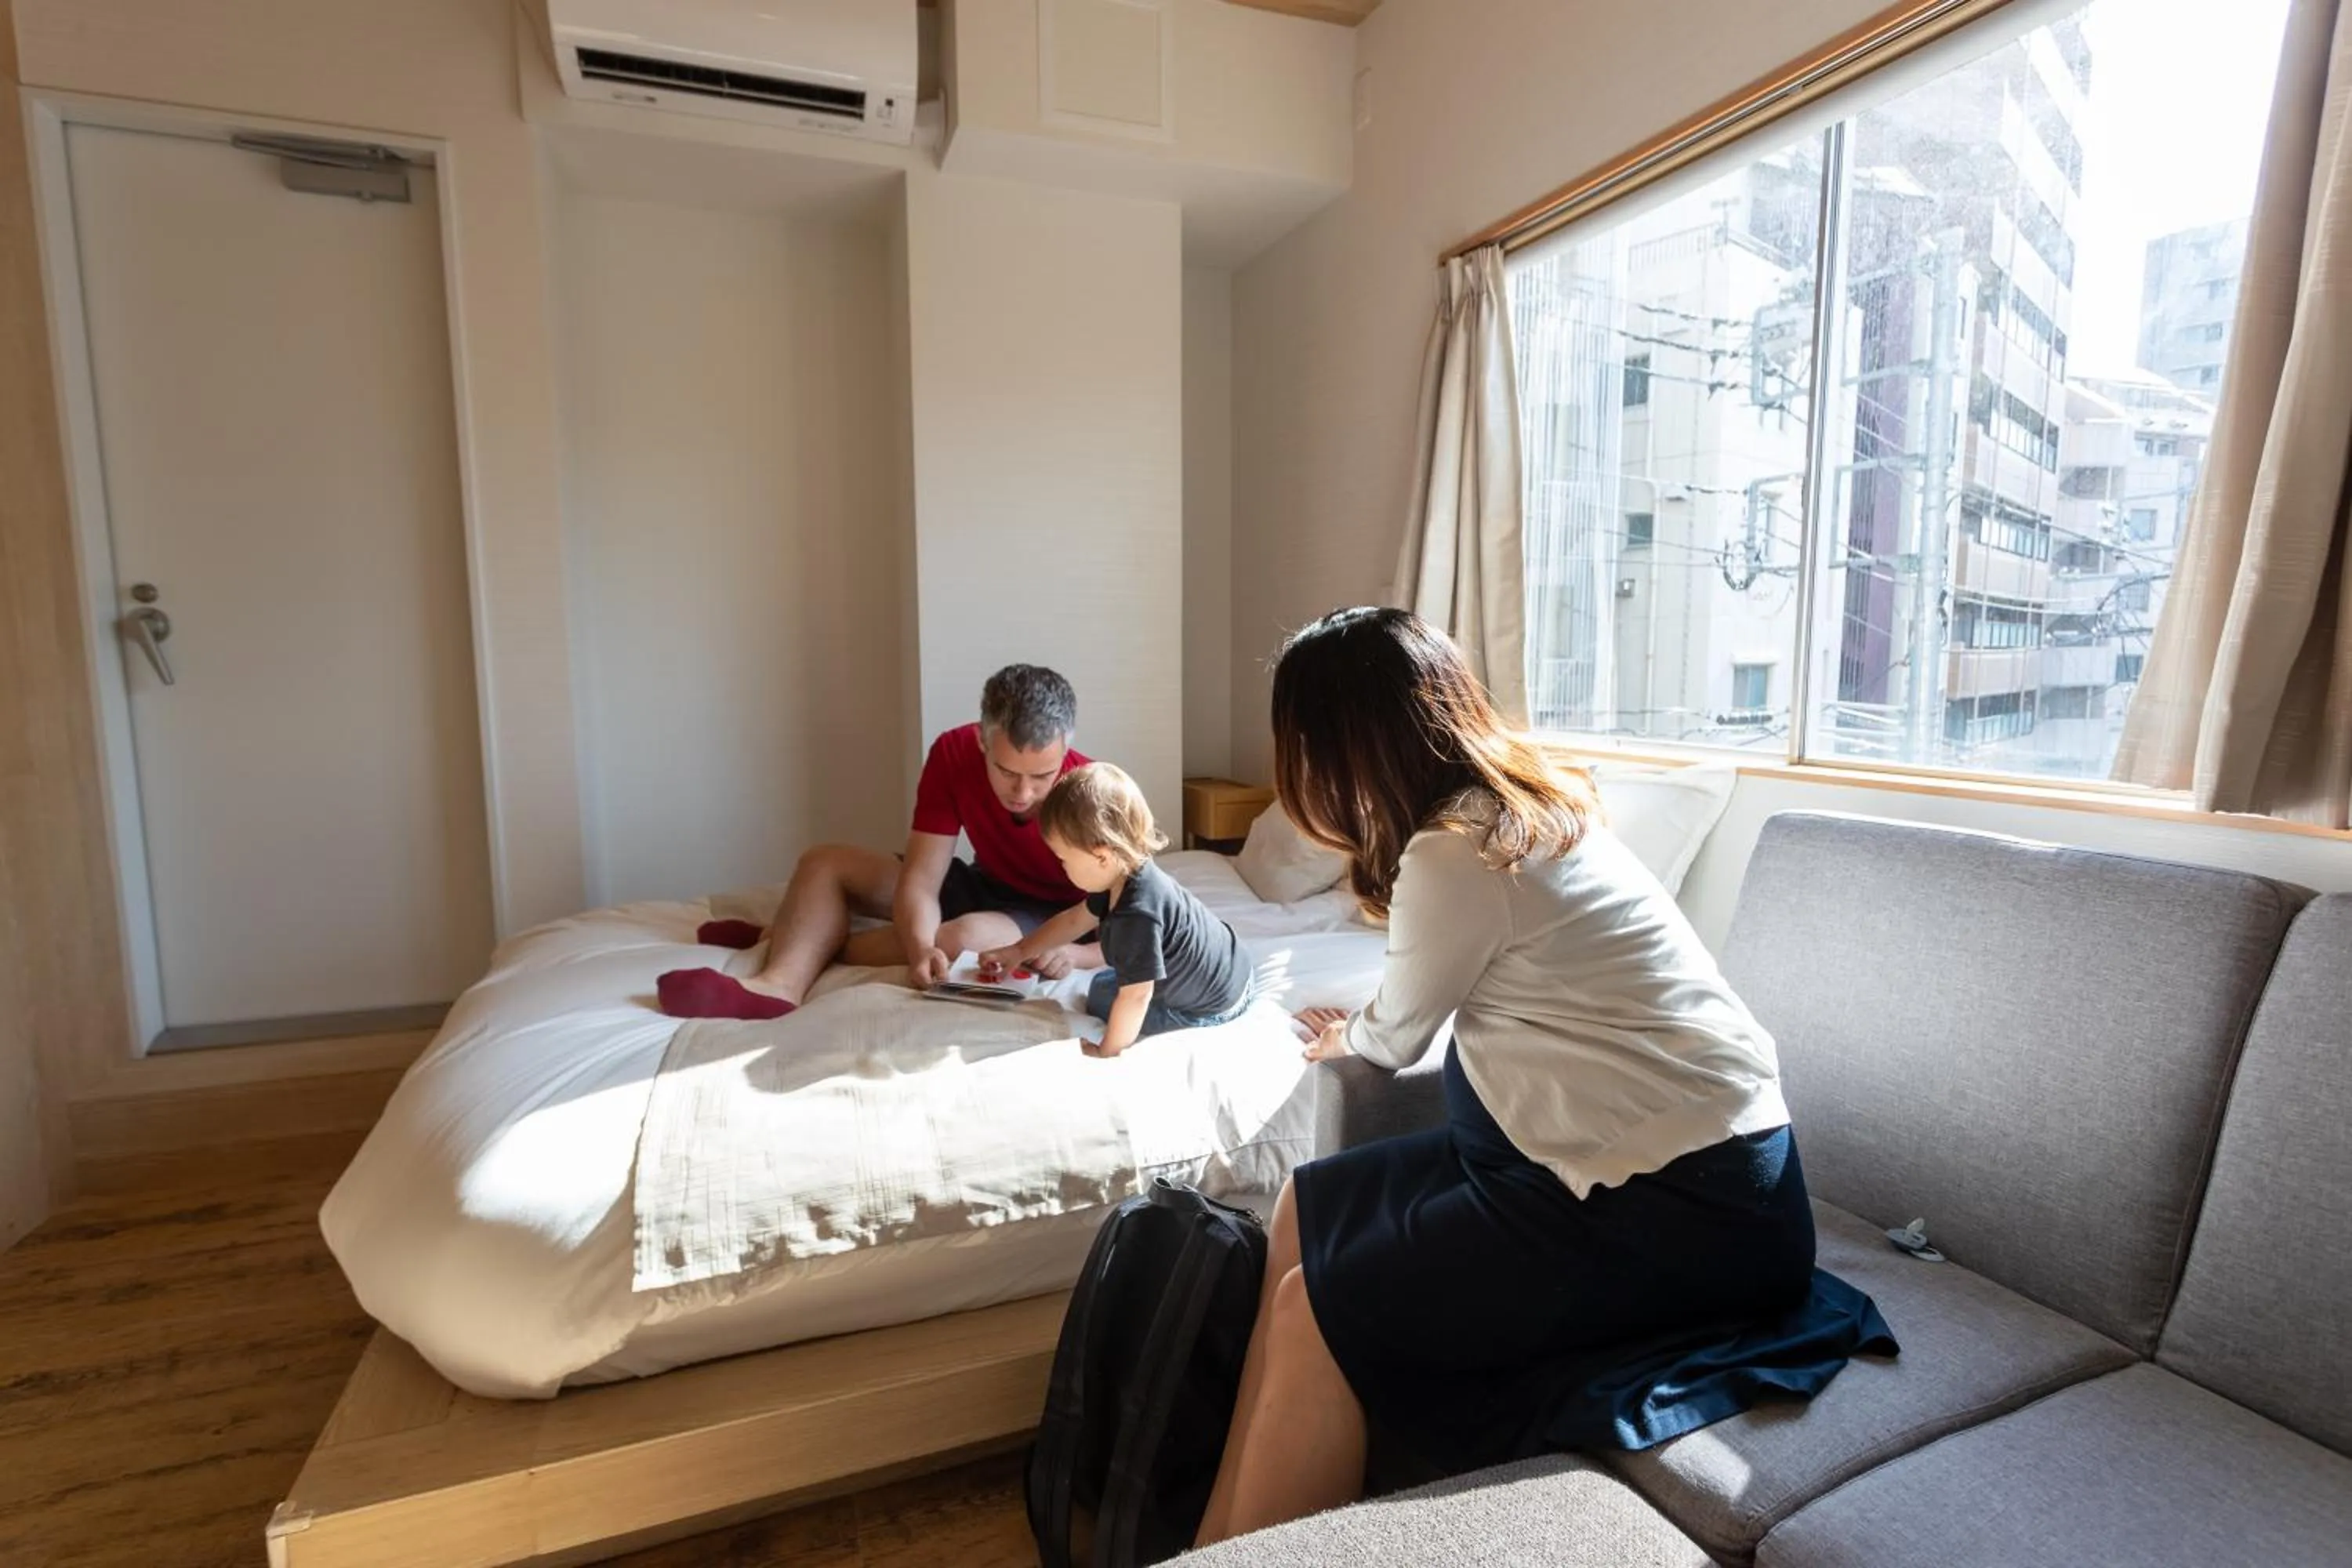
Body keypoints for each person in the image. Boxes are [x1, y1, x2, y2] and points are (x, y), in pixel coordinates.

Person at [1194, 608, 1889, 1545]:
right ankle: (1216, 1538)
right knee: (1303, 1208)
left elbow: (1395, 1034)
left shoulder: (1459, 850)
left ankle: (1241, 1543)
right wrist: (1354, 1032)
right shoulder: (1521, 808)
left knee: (1316, 1302)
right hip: (1608, 1162)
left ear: (1341, 748)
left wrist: (1343, 1037)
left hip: (1689, 1203)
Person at [655, 665, 1103, 1020]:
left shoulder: (1092, 790)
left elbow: (1145, 914)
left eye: (1042, 776)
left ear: (1065, 751)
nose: (1023, 794)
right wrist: (917, 948)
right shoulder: (953, 752)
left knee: (960, 938)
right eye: (1007, 773)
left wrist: (1078, 955)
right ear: (983, 742)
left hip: (1052, 914)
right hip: (983, 882)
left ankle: (798, 933)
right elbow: (923, 880)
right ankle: (779, 985)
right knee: (824, 862)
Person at [979, 762, 1252, 1057]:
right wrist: (1019, 951)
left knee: (1101, 998)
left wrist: (1107, 1050)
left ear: (1101, 856)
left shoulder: (1136, 916)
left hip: (1207, 1010)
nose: (1061, 867)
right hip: (1234, 969)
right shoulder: (1125, 875)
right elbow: (1073, 921)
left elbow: (1137, 996)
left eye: (1063, 859)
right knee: (1102, 985)